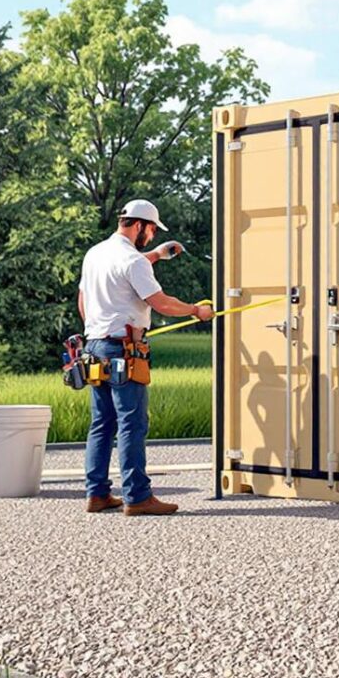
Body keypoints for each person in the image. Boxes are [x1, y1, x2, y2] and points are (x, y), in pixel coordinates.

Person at [77, 199, 211, 515]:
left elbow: (84, 300)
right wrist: (196, 311)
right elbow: (160, 302)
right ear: (139, 226)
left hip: (94, 347)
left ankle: (96, 495)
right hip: (124, 351)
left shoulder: (95, 254)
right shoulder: (133, 262)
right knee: (132, 424)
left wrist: (156, 255)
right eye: (151, 231)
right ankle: (138, 497)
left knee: (102, 424)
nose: (151, 236)